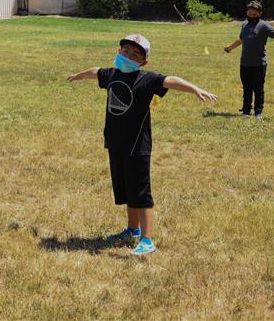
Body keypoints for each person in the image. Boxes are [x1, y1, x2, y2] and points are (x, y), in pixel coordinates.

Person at [68, 34, 218, 256]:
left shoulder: (146, 80)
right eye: (125, 52)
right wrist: (77, 76)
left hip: (137, 147)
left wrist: (195, 88)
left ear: (143, 62)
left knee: (140, 192)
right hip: (115, 143)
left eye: (135, 55)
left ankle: (147, 240)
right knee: (127, 190)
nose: (128, 56)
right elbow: (95, 71)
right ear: (118, 52)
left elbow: (170, 80)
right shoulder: (111, 75)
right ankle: (132, 230)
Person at [223, 1, 274, 119]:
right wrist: (229, 48)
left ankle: (258, 112)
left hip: (259, 64)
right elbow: (241, 39)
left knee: (258, 88)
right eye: (250, 14)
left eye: (254, 15)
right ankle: (246, 110)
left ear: (260, 14)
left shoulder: (264, 26)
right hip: (245, 63)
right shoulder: (245, 24)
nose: (251, 17)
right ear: (247, 13)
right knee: (246, 88)